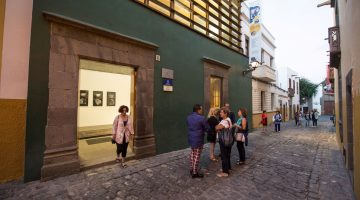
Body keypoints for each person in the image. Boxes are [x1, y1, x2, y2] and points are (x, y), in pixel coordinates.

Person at [186, 104, 207, 178]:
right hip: (198, 138)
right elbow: (206, 128)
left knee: (192, 153)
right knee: (197, 155)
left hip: (191, 138)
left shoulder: (188, 117)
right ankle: (195, 173)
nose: (202, 110)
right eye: (201, 109)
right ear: (198, 110)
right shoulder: (201, 118)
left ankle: (192, 169)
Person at [216, 107, 233, 178]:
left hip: (223, 140)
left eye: (221, 112)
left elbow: (217, 128)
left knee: (224, 156)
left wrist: (217, 126)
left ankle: (225, 172)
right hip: (229, 140)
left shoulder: (225, 121)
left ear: (225, 113)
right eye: (220, 112)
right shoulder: (228, 119)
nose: (220, 113)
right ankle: (228, 167)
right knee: (227, 154)